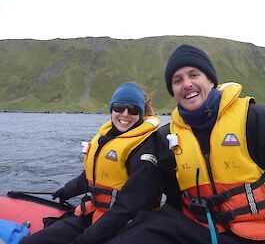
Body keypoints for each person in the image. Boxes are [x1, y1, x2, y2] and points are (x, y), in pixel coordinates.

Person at [104, 44, 265, 244]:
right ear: (173, 91)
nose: (186, 84)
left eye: (194, 75)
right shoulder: (168, 137)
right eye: (177, 80)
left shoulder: (256, 119)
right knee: (141, 230)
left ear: (211, 80)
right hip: (203, 231)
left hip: (262, 236)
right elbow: (168, 199)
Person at [20, 82, 163, 244]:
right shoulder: (104, 138)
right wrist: (66, 191)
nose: (125, 114)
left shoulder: (146, 148)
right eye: (119, 107)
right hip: (92, 214)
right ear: (111, 109)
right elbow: (90, 176)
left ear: (141, 114)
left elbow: (130, 207)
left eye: (133, 110)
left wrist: (87, 238)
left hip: (127, 226)